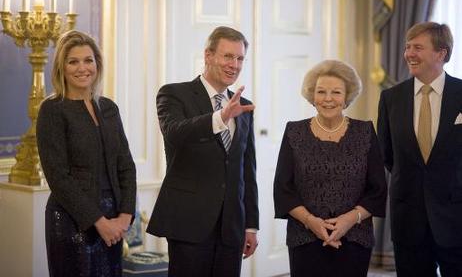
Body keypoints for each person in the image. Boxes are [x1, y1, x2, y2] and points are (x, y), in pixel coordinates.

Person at [146, 26, 259, 277]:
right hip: (189, 223)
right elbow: (174, 132)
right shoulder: (174, 93)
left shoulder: (243, 105)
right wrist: (220, 117)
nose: (235, 64)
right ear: (208, 55)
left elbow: (246, 169)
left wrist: (250, 224)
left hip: (232, 226)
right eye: (228, 56)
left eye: (240, 58)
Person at [36, 30, 137, 277]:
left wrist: (124, 218)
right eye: (73, 61)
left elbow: (126, 165)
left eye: (88, 60)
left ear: (97, 64)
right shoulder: (52, 110)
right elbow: (58, 177)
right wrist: (99, 222)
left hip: (115, 222)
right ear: (62, 67)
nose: (82, 68)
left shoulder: (109, 108)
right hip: (72, 220)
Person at [273, 59, 387, 277]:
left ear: (346, 97)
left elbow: (378, 190)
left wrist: (348, 220)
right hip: (304, 237)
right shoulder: (294, 132)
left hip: (355, 238)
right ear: (312, 96)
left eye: (336, 92)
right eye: (321, 92)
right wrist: (311, 222)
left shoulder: (364, 132)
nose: (328, 99)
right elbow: (283, 189)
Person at [377, 22, 462, 276]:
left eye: (417, 47)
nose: (409, 54)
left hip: (456, 217)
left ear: (441, 53)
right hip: (408, 218)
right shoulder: (390, 98)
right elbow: (387, 155)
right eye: (407, 47)